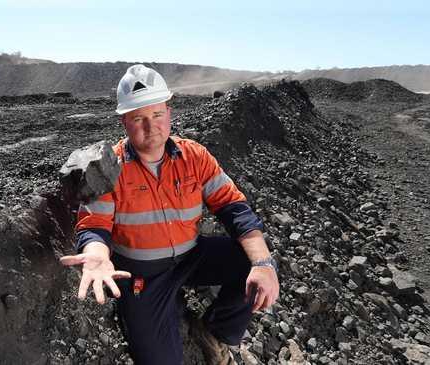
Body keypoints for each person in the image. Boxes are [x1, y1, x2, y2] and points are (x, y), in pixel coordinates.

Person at [60, 64, 279, 365]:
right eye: (139, 119)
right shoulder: (109, 169)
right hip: (143, 274)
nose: (151, 127)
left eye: (158, 115)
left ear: (169, 112)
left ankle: (214, 333)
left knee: (254, 259)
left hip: (191, 256)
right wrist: (97, 254)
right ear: (124, 121)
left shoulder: (195, 156)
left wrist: (264, 263)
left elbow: (234, 208)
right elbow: (95, 225)